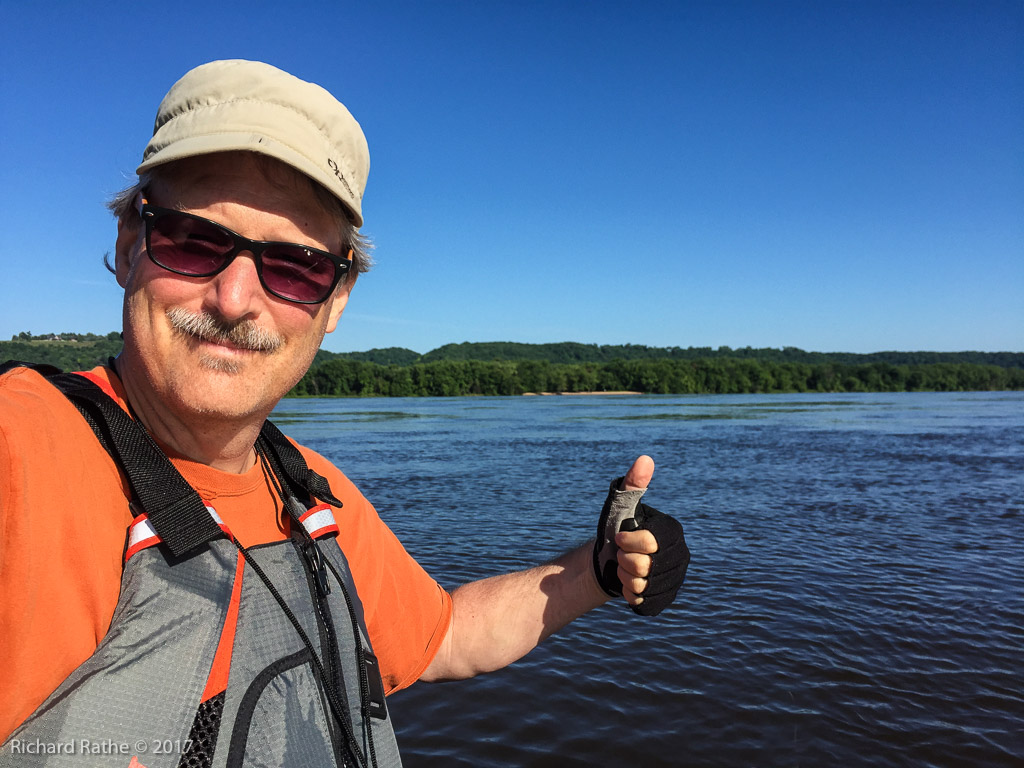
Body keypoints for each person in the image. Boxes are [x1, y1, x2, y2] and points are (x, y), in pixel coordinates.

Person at [0, 60, 688, 767]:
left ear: (335, 304)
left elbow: (446, 635)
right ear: (128, 245)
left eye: (294, 266)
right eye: (193, 240)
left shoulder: (307, 493)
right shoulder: (23, 453)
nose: (235, 300)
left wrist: (596, 572)